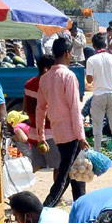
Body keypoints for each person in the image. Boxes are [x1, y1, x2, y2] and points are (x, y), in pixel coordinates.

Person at [39, 38, 89, 207]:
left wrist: (41, 135)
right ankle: (45, 209)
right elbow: (75, 108)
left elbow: (41, 108)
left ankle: (81, 206)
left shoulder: (45, 78)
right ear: (67, 53)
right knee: (65, 176)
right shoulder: (68, 76)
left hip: (58, 131)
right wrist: (81, 137)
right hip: (71, 132)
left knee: (76, 174)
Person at [85, 33, 112, 162]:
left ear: (94, 45)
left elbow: (89, 80)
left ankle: (97, 155)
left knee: (97, 126)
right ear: (105, 44)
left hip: (98, 95)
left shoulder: (91, 60)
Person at [22, 55, 59, 185]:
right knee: (59, 166)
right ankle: (57, 196)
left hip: (33, 132)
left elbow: (26, 108)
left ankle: (16, 184)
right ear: (45, 69)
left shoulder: (29, 84)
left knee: (36, 165)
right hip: (49, 133)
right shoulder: (48, 85)